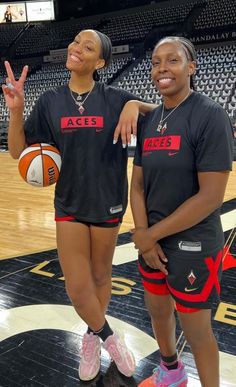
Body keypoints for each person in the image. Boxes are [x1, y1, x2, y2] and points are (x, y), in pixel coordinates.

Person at [2, 29, 155, 382]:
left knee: (101, 276)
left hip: (107, 201)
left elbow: (162, 111)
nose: (76, 48)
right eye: (75, 42)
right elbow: (15, 150)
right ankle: (109, 339)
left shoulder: (116, 98)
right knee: (76, 285)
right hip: (69, 202)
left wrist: (136, 104)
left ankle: (89, 336)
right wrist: (16, 109)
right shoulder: (50, 101)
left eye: (88, 47)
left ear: (100, 61)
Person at [130, 36, 234, 387]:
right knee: (158, 313)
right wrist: (145, 239)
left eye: (172, 60)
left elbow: (210, 198)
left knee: (197, 331)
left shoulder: (210, 116)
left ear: (191, 67)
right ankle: (172, 373)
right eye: (157, 61)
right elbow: (138, 185)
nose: (162, 68)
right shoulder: (150, 120)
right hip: (152, 244)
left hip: (192, 243)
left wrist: (148, 236)